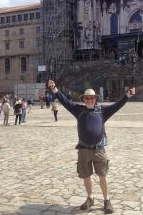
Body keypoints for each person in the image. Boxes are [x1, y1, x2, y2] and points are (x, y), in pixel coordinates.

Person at [48, 80, 136, 214]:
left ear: (95, 99)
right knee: (86, 176)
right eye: (87, 98)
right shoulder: (78, 111)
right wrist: (54, 88)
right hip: (83, 150)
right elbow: (64, 101)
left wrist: (128, 95)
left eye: (92, 98)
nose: (89, 100)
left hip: (99, 149)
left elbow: (117, 105)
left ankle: (107, 200)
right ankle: (90, 198)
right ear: (84, 99)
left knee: (102, 175)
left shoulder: (103, 111)